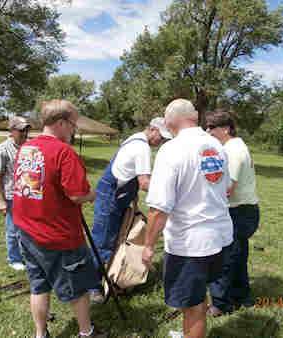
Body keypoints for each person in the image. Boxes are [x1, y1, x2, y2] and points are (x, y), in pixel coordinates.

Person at [13, 99, 106, 338]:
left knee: (38, 285)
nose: (74, 130)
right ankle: (86, 333)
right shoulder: (63, 152)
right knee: (78, 288)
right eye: (73, 125)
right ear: (62, 122)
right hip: (59, 236)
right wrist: (92, 195)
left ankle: (40, 334)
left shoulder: (26, 148)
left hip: (26, 230)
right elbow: (77, 194)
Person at [142, 99, 233, 338]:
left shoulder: (172, 149)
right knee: (198, 296)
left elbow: (159, 207)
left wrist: (149, 245)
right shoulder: (216, 144)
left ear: (170, 121)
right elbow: (225, 188)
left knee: (191, 305)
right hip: (219, 237)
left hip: (190, 243)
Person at [90, 117, 172, 302]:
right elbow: (144, 183)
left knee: (113, 239)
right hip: (112, 195)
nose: (161, 142)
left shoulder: (135, 138)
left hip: (118, 194)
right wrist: (168, 195)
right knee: (102, 240)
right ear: (152, 129)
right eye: (161, 137)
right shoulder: (142, 148)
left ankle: (111, 276)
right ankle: (91, 286)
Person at [206, 111, 260, 316]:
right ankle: (242, 296)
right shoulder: (234, 146)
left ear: (226, 129)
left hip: (239, 212)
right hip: (244, 210)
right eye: (207, 127)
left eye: (212, 127)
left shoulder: (233, 151)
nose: (208, 131)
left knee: (224, 258)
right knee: (237, 256)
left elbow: (228, 188)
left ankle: (221, 304)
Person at [0, 116, 31, 271]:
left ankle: (28, 255)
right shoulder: (2, 150)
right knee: (13, 230)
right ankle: (14, 259)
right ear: (12, 131)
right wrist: (1, 201)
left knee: (28, 229)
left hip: (29, 195)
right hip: (12, 197)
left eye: (26, 129)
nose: (25, 133)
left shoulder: (30, 146)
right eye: (21, 130)